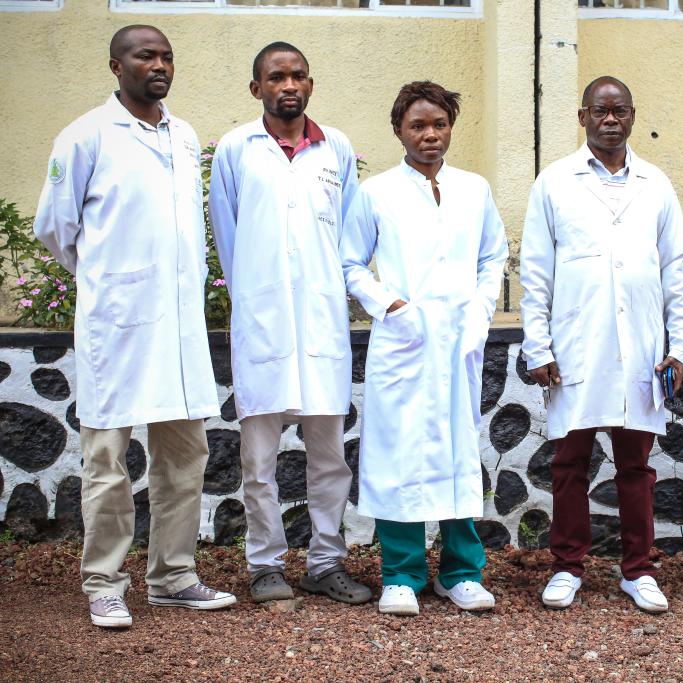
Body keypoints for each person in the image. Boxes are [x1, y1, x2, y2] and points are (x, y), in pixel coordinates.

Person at [34, 25, 236, 629]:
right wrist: (109, 278)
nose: (159, 64)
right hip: (116, 327)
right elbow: (55, 229)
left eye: (166, 55)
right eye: (145, 55)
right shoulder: (85, 136)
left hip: (176, 332)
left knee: (185, 457)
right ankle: (104, 583)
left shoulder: (183, 134)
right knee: (107, 460)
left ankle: (173, 576)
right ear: (115, 66)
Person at [520, 76, 683, 614]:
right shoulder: (554, 182)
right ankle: (568, 566)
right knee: (569, 460)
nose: (610, 119)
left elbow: (675, 272)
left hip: (641, 347)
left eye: (619, 110)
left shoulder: (656, 185)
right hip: (575, 345)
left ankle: (638, 569)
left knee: (635, 465)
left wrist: (680, 349)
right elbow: (534, 272)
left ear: (633, 115)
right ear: (583, 116)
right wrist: (538, 346)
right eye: (600, 110)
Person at [208, 42, 370, 606]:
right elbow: (227, 237)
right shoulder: (237, 149)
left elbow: (349, 236)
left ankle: (326, 562)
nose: (289, 85)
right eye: (276, 77)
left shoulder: (336, 149)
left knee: (330, 460)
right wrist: (251, 299)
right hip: (263, 323)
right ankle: (265, 564)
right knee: (259, 462)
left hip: (323, 323)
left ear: (310, 84)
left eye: (299, 75)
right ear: (257, 89)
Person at [341, 81, 508, 617]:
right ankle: (402, 574)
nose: (430, 134)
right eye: (418, 125)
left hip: (458, 343)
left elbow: (493, 257)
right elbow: (349, 264)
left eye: (438, 124)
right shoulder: (376, 193)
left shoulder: (474, 189)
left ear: (450, 128)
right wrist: (391, 306)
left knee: (459, 454)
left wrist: (481, 312)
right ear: (399, 131)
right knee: (398, 457)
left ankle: (461, 573)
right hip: (405, 344)